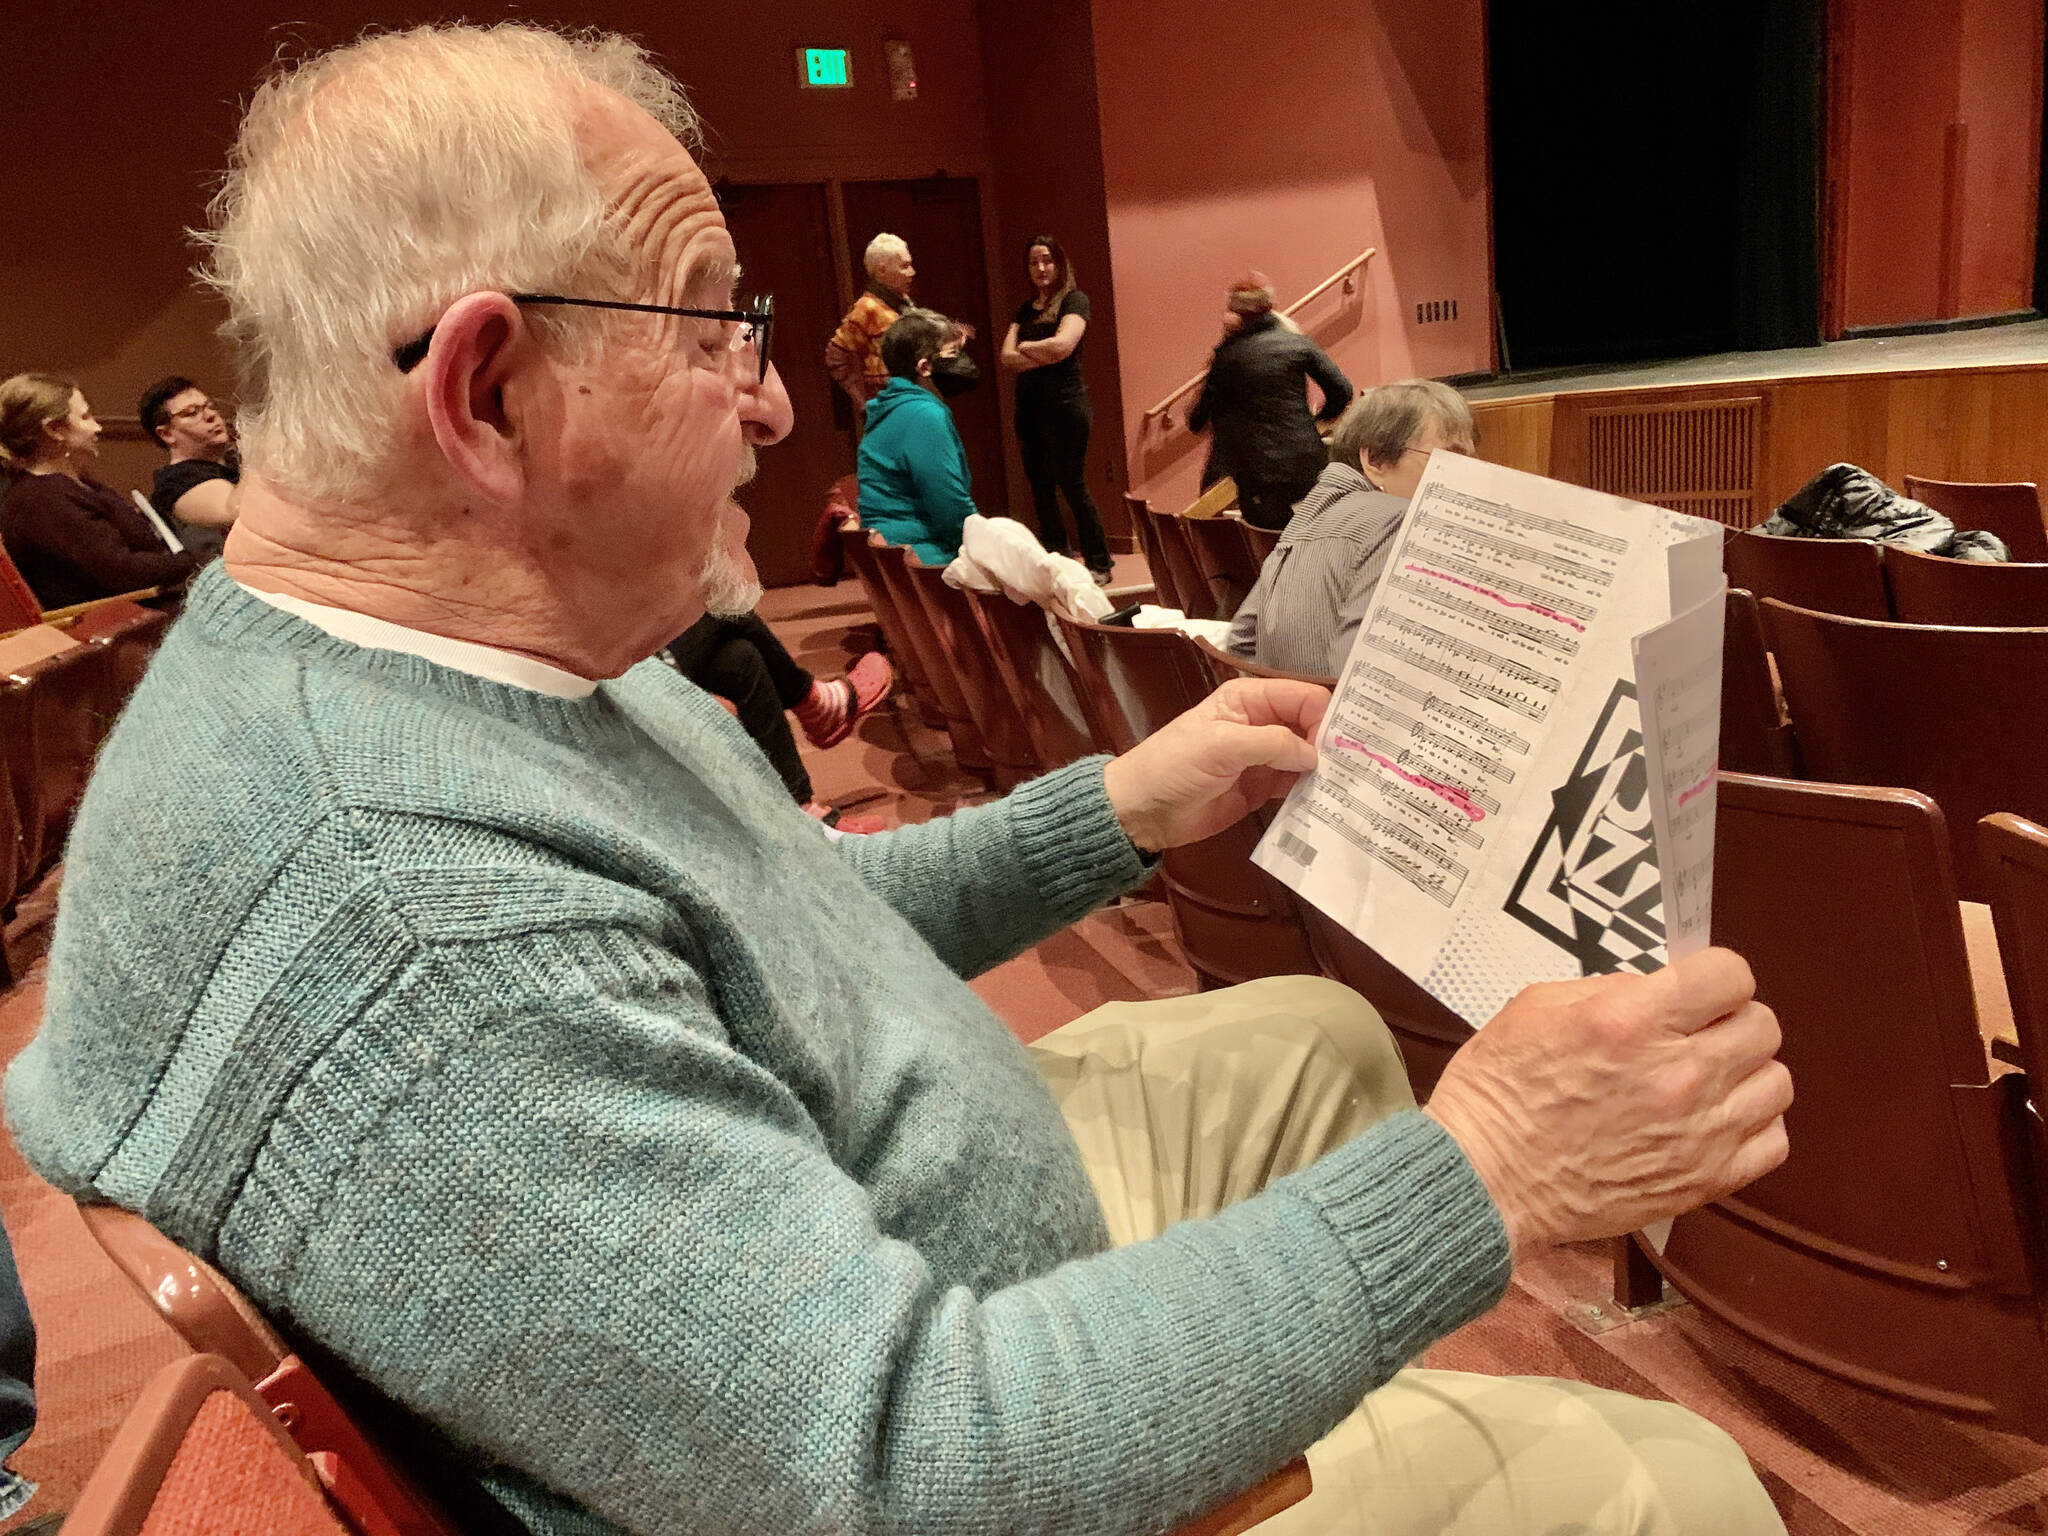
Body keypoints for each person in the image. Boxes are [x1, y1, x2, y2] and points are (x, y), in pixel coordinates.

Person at [5, 26, 1791, 1536]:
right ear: (489, 395)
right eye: (715, 331)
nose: (779, 406)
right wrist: (1485, 1173)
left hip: (883, 1246)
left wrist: (1115, 811)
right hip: (950, 1418)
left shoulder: (458, 661)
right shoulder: (414, 928)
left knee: (1322, 1042)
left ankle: (1300, 1385)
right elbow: (906, 1461)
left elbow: (773, 921)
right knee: (1665, 1477)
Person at [1229, 380, 1478, 677]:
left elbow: (1241, 641)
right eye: (1447, 459)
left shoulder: (1310, 516)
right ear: (1375, 460)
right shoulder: (1399, 519)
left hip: (1293, 705)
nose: (1466, 479)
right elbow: (1358, 670)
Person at [665, 610, 893, 830]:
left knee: (739, 657)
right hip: (647, 676)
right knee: (715, 603)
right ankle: (814, 703)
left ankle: (798, 810)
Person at [0, 374, 199, 609]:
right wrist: (192, 562)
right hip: (124, 622)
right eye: (85, 417)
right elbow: (122, 571)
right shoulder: (42, 500)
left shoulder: (74, 486)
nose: (97, 427)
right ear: (54, 429)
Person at [1186, 275, 1355, 530]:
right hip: (1305, 460)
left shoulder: (1228, 355)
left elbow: (1197, 418)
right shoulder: (1299, 344)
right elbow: (1342, 391)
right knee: (1311, 532)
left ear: (1235, 314)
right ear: (1270, 308)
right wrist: (1316, 421)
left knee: (1266, 537)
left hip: (1254, 471)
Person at [1001, 234, 1112, 584]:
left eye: (1047, 260)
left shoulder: (1075, 300)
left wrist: (1028, 347)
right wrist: (1044, 351)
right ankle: (1058, 558)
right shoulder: (1025, 310)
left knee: (1071, 483)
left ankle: (1099, 562)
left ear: (1059, 263)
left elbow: (1064, 345)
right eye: (1033, 262)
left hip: (1065, 406)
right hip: (1030, 408)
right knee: (1041, 487)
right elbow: (1007, 358)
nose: (1041, 268)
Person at [854, 308, 982, 566]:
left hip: (901, 552)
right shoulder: (923, 414)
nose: (961, 361)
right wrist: (986, 548)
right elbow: (949, 507)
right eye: (953, 354)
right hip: (924, 557)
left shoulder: (891, 406)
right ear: (925, 367)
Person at [138, 376, 239, 562]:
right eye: (192, 413)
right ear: (166, 434)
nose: (210, 415)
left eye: (210, 406)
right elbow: (237, 511)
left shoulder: (235, 460)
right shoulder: (175, 483)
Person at [824, 232, 914, 425]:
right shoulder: (867, 309)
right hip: (887, 402)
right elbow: (835, 356)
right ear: (882, 271)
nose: (911, 272)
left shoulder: (903, 304)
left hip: (911, 395)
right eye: (904, 266)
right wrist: (861, 400)